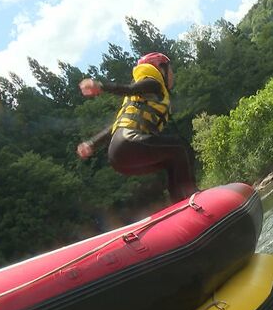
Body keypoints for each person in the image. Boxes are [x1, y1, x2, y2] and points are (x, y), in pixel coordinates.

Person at [77, 52, 198, 202]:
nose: (173, 74)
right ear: (159, 68)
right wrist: (101, 86)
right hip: (129, 143)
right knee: (181, 147)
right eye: (170, 69)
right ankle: (193, 196)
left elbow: (114, 127)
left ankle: (181, 202)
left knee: (173, 159)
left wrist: (91, 144)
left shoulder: (140, 100)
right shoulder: (153, 83)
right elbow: (128, 89)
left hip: (119, 156)